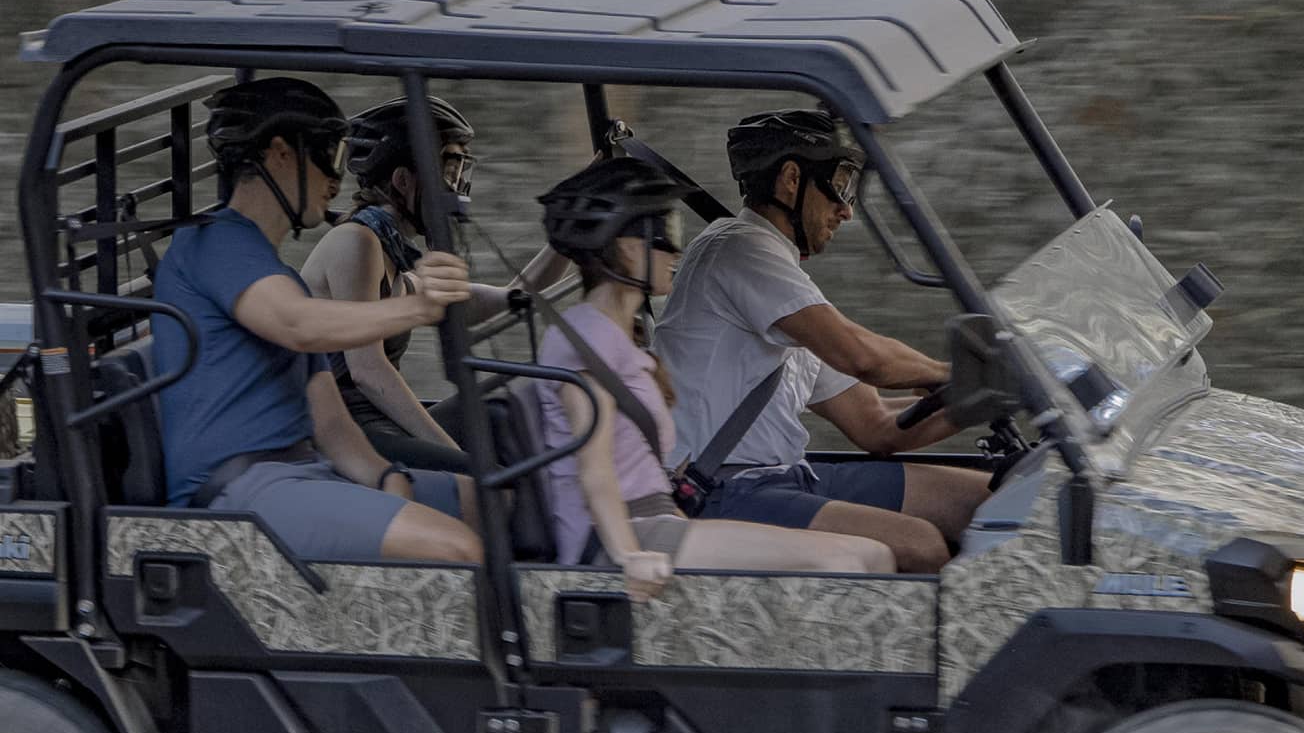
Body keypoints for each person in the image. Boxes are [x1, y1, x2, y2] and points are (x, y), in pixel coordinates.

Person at [151, 77, 482, 565]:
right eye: (327, 154)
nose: (336, 179)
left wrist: (388, 479)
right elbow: (297, 324)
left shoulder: (281, 276)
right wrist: (417, 306)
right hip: (241, 492)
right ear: (280, 154)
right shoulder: (214, 244)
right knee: (457, 547)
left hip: (307, 469)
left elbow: (331, 424)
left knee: (493, 502)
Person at [534, 157, 894, 598]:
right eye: (664, 236)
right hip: (622, 533)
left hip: (657, 519)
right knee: (846, 562)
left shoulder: (624, 338)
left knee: (876, 556)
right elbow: (594, 469)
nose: (676, 252)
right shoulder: (587, 337)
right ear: (627, 246)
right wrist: (629, 556)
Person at [652, 109, 989, 572]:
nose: (847, 209)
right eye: (841, 183)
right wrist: (955, 371)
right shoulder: (739, 250)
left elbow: (877, 427)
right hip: (725, 489)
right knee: (920, 543)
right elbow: (863, 357)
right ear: (792, 179)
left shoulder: (785, 287)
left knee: (983, 501)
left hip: (788, 478)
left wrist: (979, 400)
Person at [300, 95, 565, 471]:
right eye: (448, 168)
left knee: (504, 410)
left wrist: (570, 238)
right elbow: (367, 372)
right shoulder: (356, 243)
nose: (456, 185)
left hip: (379, 422)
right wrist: (457, 456)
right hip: (346, 432)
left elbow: (498, 298)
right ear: (403, 180)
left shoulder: (388, 247)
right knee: (482, 474)